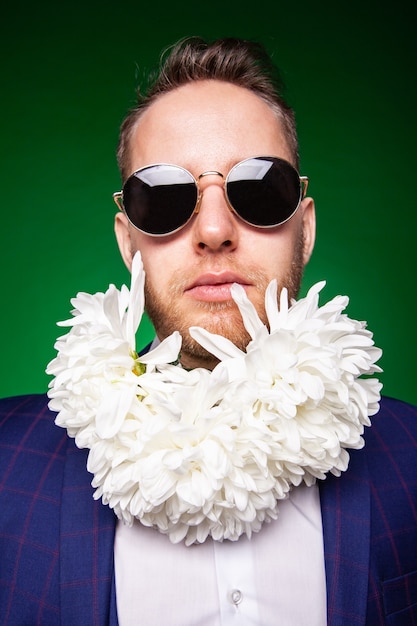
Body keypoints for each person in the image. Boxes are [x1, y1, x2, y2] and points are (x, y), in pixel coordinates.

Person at [1, 36, 416, 626]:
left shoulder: (411, 460)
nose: (215, 229)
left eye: (260, 187)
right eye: (165, 196)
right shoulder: (5, 468)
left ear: (305, 229)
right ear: (128, 241)